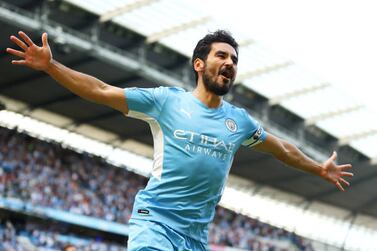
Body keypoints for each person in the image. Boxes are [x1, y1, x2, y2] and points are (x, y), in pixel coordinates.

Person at [7, 30, 353, 251]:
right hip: (155, 223)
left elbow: (281, 149)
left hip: (195, 238)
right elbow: (100, 90)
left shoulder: (239, 122)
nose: (230, 62)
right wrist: (52, 67)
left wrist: (317, 168)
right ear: (199, 64)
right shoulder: (165, 102)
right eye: (222, 55)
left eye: (234, 59)